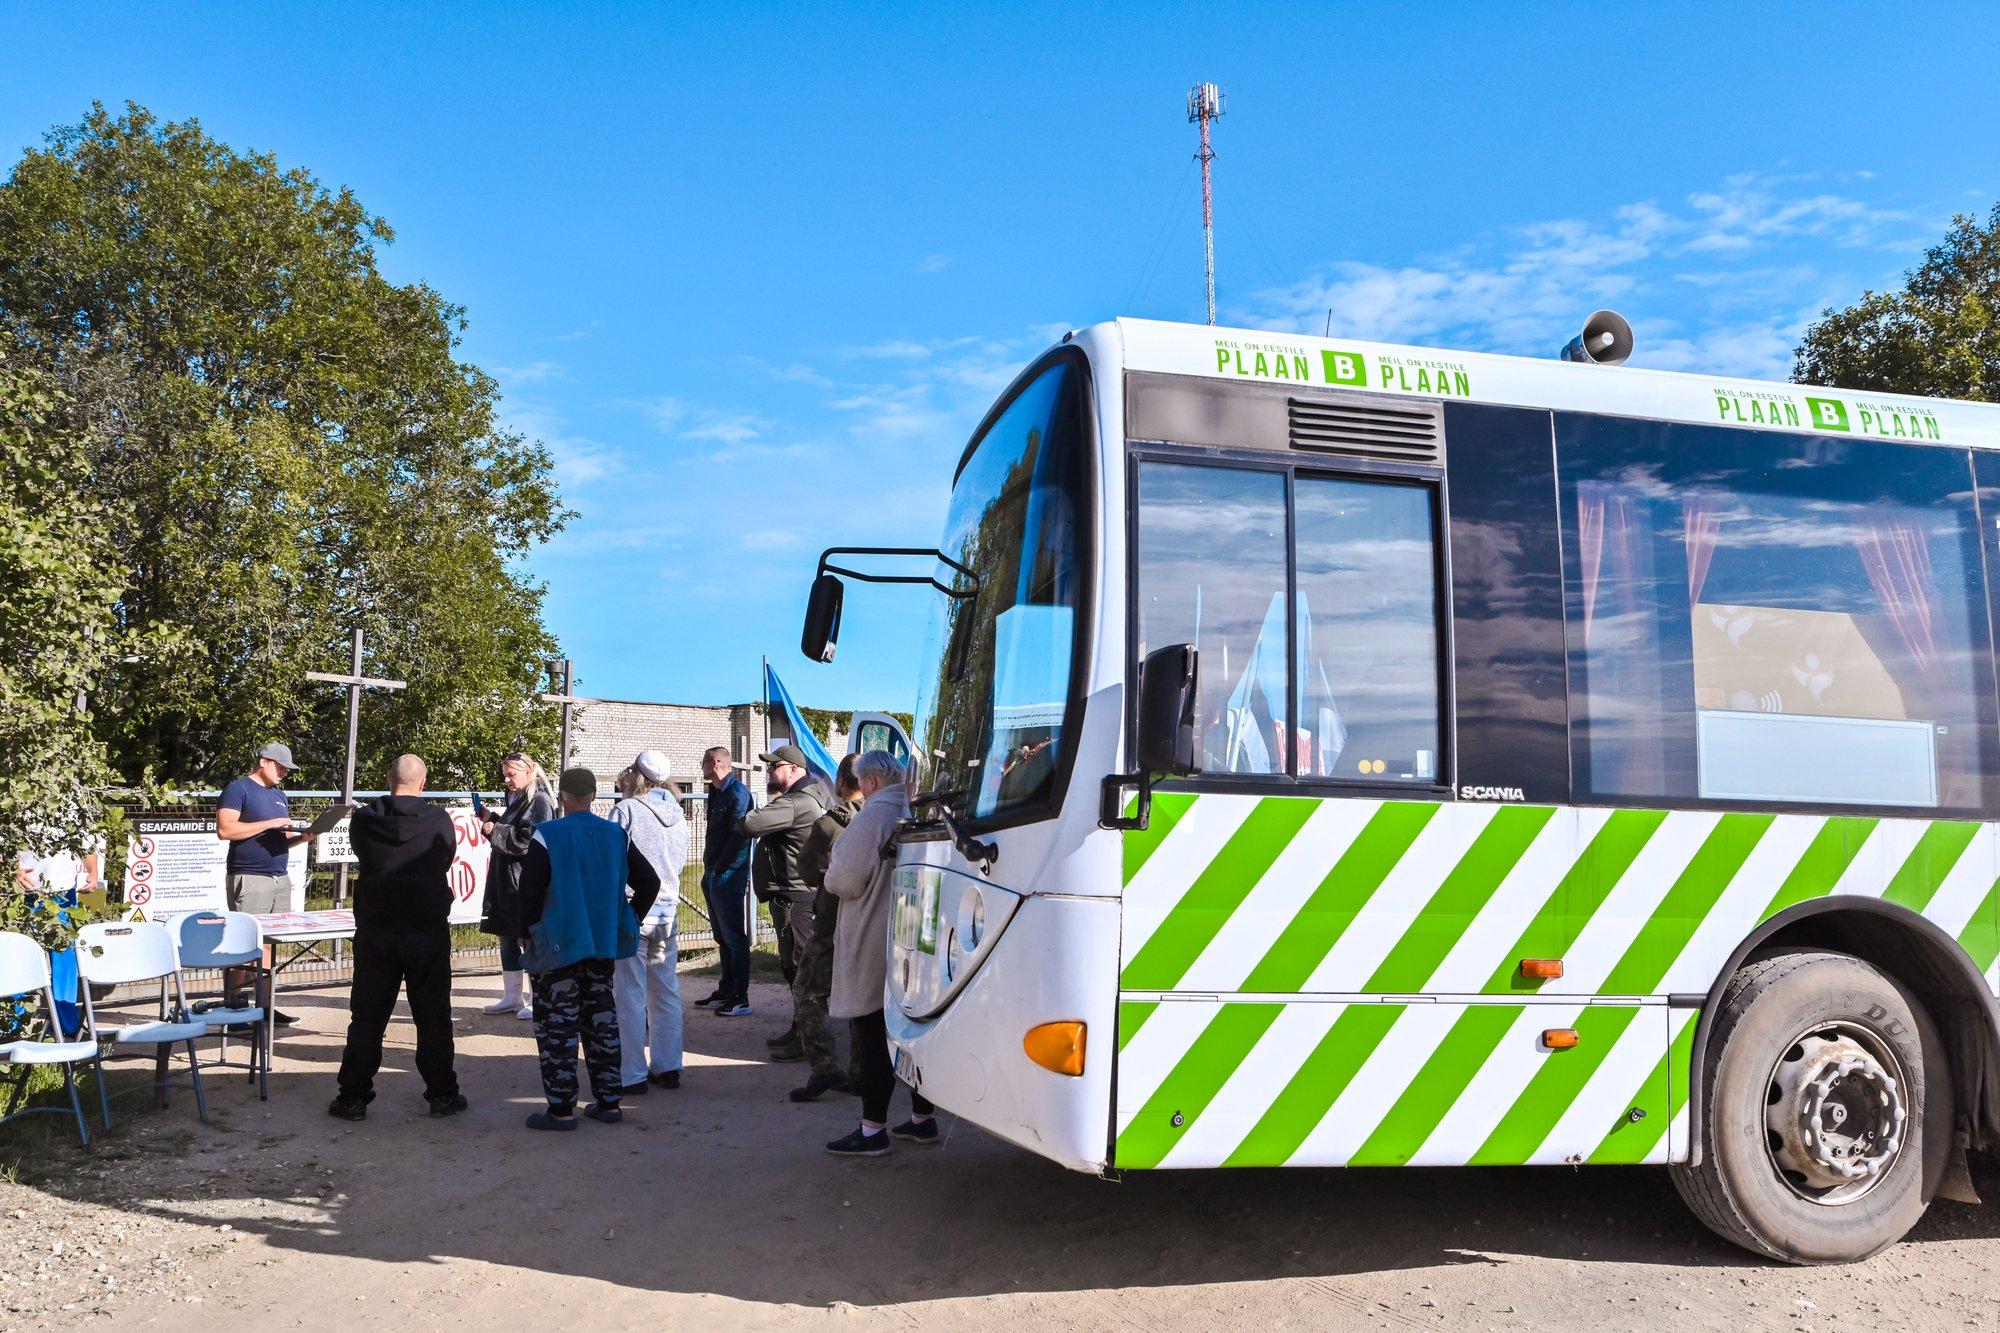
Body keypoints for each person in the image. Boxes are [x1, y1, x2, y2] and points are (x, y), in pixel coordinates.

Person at [515, 767, 661, 1130]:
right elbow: (649, 882)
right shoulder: (615, 835)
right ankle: (609, 1102)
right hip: (601, 945)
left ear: (562, 796)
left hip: (557, 948)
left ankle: (561, 1110)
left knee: (557, 1027)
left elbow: (530, 896)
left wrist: (524, 933)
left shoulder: (546, 836)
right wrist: (627, 919)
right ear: (594, 795)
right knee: (601, 1021)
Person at [329, 754, 465, 1121]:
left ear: (389, 779)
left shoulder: (366, 818)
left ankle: (352, 1097)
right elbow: (445, 857)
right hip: (426, 927)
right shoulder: (439, 819)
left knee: (368, 1015)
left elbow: (362, 853)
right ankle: (442, 1093)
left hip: (377, 928)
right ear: (423, 783)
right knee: (433, 1014)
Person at [824, 749, 936, 1156]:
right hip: (913, 935)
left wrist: (831, 868)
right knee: (914, 1032)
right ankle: (923, 1119)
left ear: (870, 782)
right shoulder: (916, 810)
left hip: (875, 934)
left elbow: (846, 879)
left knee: (872, 1032)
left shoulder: (873, 816)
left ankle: (872, 1130)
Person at [216, 742, 317, 1022]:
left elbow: (280, 840)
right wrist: (269, 823)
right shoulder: (238, 789)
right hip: (249, 877)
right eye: (281, 766)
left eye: (287, 768)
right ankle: (233, 1010)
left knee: (269, 944)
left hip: (279, 878)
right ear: (263, 761)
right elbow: (225, 830)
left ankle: (265, 1008)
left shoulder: (279, 795)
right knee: (242, 943)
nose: (284, 772)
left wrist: (302, 838)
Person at [608, 750, 687, 1094]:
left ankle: (632, 1073)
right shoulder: (679, 816)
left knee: (629, 993)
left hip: (633, 908)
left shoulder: (626, 810)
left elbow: (611, 859)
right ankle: (669, 1066)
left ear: (634, 775)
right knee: (665, 990)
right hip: (667, 908)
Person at [736, 743, 828, 1034]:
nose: (769, 770)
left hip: (795, 895)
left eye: (775, 765)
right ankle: (800, 1029)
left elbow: (750, 824)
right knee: (797, 967)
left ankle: (807, 1036)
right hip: (800, 892)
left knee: (799, 969)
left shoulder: (795, 802)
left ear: (794, 769)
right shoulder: (807, 795)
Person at [786, 754, 861, 1102]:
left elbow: (806, 871)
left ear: (842, 783)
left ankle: (825, 1066)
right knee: (866, 997)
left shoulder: (831, 824)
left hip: (832, 921)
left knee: (807, 990)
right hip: (873, 923)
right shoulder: (893, 819)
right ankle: (862, 1069)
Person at [479, 751, 555, 1020]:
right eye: (505, 775)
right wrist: (495, 821)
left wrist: (495, 830)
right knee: (507, 935)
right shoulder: (519, 798)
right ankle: (512, 996)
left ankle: (538, 997)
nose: (507, 780)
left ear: (527, 771)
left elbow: (531, 839)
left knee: (529, 938)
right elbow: (517, 831)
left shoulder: (539, 800)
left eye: (511, 774)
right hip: (509, 880)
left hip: (524, 880)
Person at [695, 746, 753, 1017]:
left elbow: (740, 836)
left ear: (716, 762)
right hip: (713, 872)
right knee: (721, 935)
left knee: (734, 936)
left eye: (704, 762)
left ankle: (740, 997)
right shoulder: (716, 791)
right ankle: (726, 988)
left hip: (729, 873)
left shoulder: (738, 793)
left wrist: (721, 868)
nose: (701, 766)